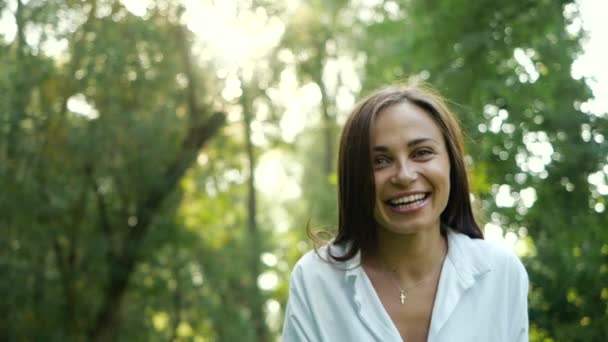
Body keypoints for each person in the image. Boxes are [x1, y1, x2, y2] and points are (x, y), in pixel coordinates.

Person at [281, 84, 529, 342]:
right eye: (379, 161)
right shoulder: (315, 280)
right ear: (355, 178)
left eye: (422, 153)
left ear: (451, 163)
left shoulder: (501, 274)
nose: (404, 175)